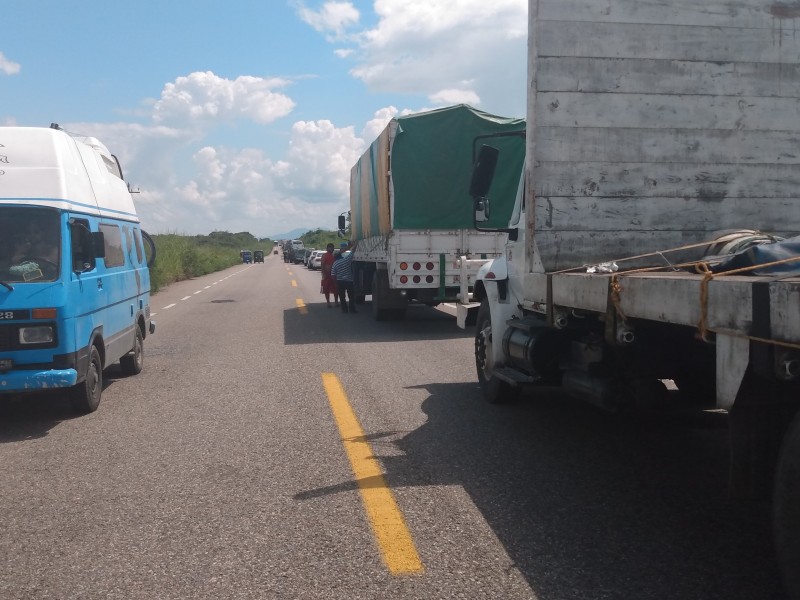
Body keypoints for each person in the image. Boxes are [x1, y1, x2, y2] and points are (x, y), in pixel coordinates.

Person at [331, 241, 356, 314]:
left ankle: (344, 309)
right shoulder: (346, 260)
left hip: (340, 281)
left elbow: (333, 275)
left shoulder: (335, 264)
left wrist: (335, 283)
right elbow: (352, 252)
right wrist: (355, 244)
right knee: (351, 296)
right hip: (349, 281)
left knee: (342, 297)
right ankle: (352, 309)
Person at [320, 243, 338, 308]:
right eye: (330, 247)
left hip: (334, 275)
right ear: (327, 248)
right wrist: (324, 274)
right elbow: (322, 265)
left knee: (336, 288)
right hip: (327, 274)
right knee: (326, 289)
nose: (331, 249)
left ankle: (336, 302)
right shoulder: (324, 255)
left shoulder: (334, 255)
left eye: (332, 247)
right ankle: (328, 302)